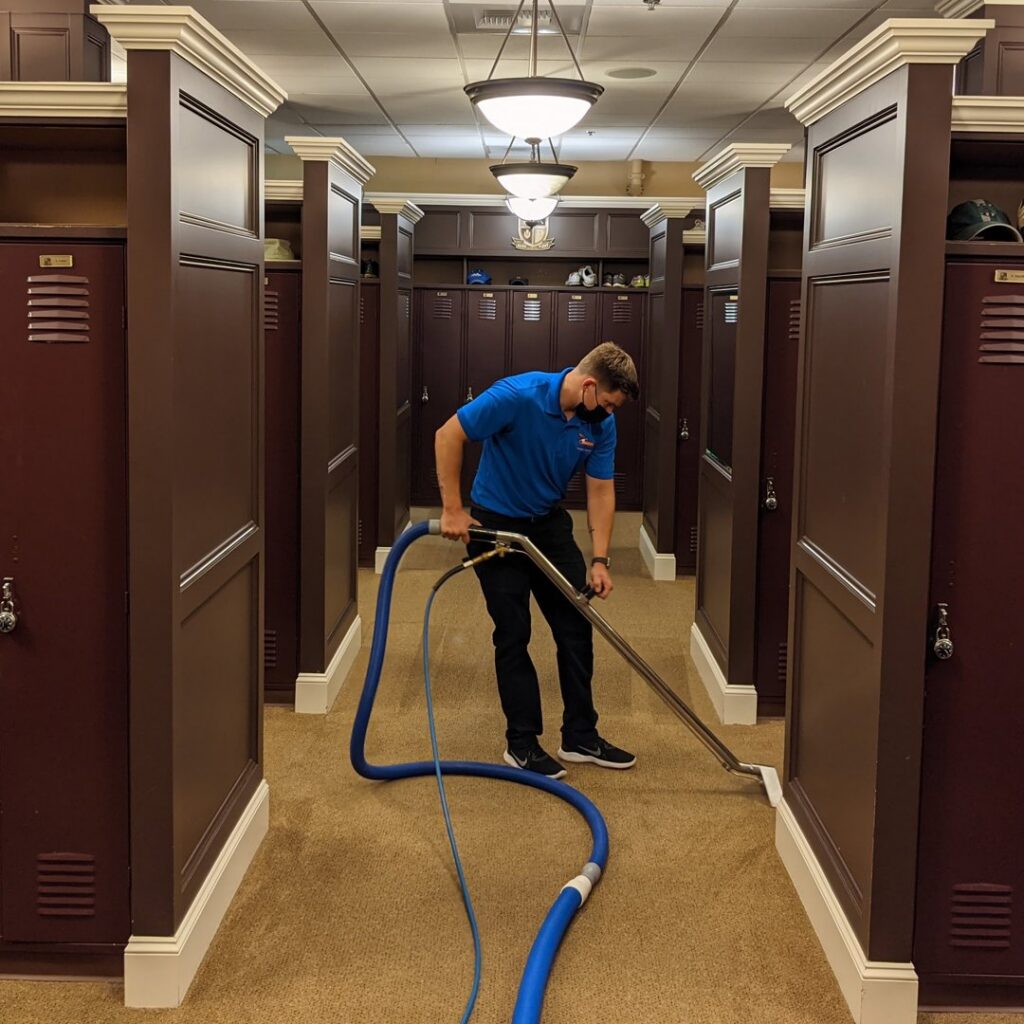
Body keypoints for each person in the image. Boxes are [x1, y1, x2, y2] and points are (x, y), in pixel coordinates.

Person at [435, 342, 640, 779]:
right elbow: (448, 434)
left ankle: (580, 735)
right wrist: (453, 509)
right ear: (588, 385)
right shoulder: (516, 395)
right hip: (496, 525)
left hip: (547, 525)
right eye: (605, 403)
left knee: (576, 624)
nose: (608, 414)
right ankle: (522, 743)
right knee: (514, 631)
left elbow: (601, 489)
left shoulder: (602, 426)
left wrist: (600, 559)